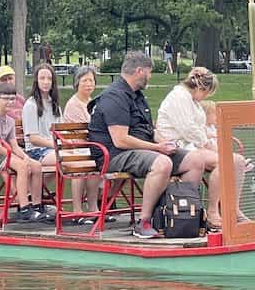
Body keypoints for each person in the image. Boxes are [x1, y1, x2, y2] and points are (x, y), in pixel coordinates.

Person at [88, 51, 204, 239]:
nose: (150, 77)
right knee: (162, 163)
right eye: (149, 72)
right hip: (115, 155)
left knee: (195, 160)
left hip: (143, 151)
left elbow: (149, 130)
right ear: (140, 71)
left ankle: (178, 214)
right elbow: (120, 139)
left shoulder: (138, 96)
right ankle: (144, 222)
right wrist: (158, 149)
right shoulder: (114, 97)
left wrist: (164, 142)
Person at [155, 67, 243, 230]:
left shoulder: (191, 99)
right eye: (207, 93)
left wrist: (207, 143)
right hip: (179, 145)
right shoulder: (179, 97)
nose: (206, 97)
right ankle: (212, 211)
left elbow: (196, 128)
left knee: (238, 161)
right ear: (202, 88)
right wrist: (206, 143)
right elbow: (188, 129)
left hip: (192, 144)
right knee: (223, 161)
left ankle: (233, 208)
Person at [0, 81, 46, 223]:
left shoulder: (10, 121)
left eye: (12, 98)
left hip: (2, 154)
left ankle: (37, 206)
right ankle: (24, 208)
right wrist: (18, 160)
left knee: (36, 165)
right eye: (6, 98)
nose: (10, 102)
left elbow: (14, 145)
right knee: (21, 166)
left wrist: (25, 157)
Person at [61, 64, 100, 217]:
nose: (89, 84)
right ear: (77, 82)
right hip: (74, 148)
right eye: (85, 80)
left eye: (91, 80)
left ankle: (93, 207)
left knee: (97, 162)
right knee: (85, 164)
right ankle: (77, 210)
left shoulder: (93, 103)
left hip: (90, 146)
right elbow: (81, 133)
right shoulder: (73, 104)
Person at [22, 63, 60, 168]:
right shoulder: (31, 105)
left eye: (49, 79)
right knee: (66, 159)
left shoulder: (54, 104)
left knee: (78, 157)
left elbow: (61, 131)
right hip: (36, 151)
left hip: (53, 148)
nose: (46, 82)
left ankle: (38, 185)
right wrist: (55, 145)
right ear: (36, 81)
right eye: (42, 78)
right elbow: (33, 139)